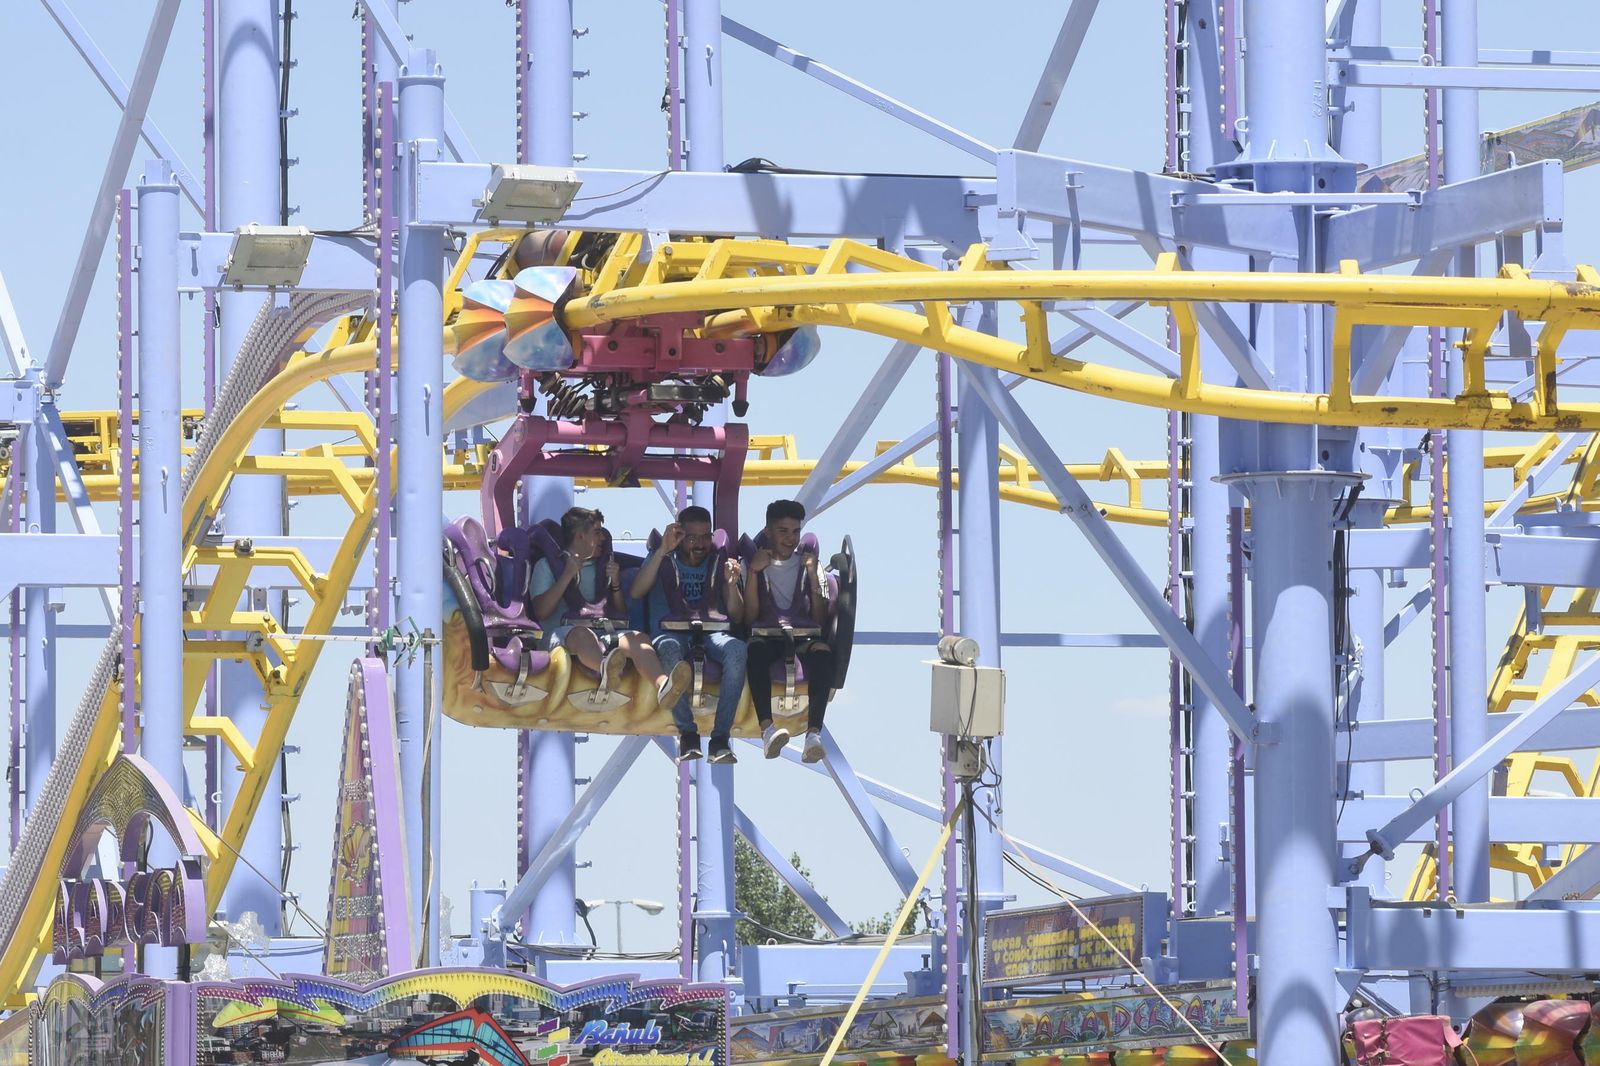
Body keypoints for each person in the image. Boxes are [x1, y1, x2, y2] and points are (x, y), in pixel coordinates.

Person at [528, 506, 690, 709]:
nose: (603, 538)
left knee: (638, 638)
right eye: (597, 533)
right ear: (580, 536)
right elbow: (541, 611)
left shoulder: (603, 566)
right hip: (562, 637)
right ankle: (606, 669)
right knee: (582, 634)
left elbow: (620, 613)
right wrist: (567, 575)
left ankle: (663, 685)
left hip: (604, 634)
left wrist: (615, 583)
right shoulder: (547, 566)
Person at [629, 506, 748, 764]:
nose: (700, 545)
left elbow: (737, 615)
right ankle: (688, 733)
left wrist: (730, 583)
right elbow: (637, 592)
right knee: (670, 649)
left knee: (737, 649)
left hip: (711, 633)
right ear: (680, 536)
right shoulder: (663, 557)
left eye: (706, 537)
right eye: (692, 538)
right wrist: (661, 551)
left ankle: (720, 739)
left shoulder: (719, 562)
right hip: (671, 632)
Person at [743, 499, 834, 763]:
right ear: (769, 531)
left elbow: (818, 618)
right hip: (767, 636)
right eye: (783, 531)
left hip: (802, 636)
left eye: (795, 532)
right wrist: (752, 572)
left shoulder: (809, 565)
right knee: (755, 651)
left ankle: (813, 734)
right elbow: (749, 616)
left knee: (822, 654)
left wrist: (813, 574)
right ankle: (767, 729)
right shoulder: (756, 563)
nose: (790, 538)